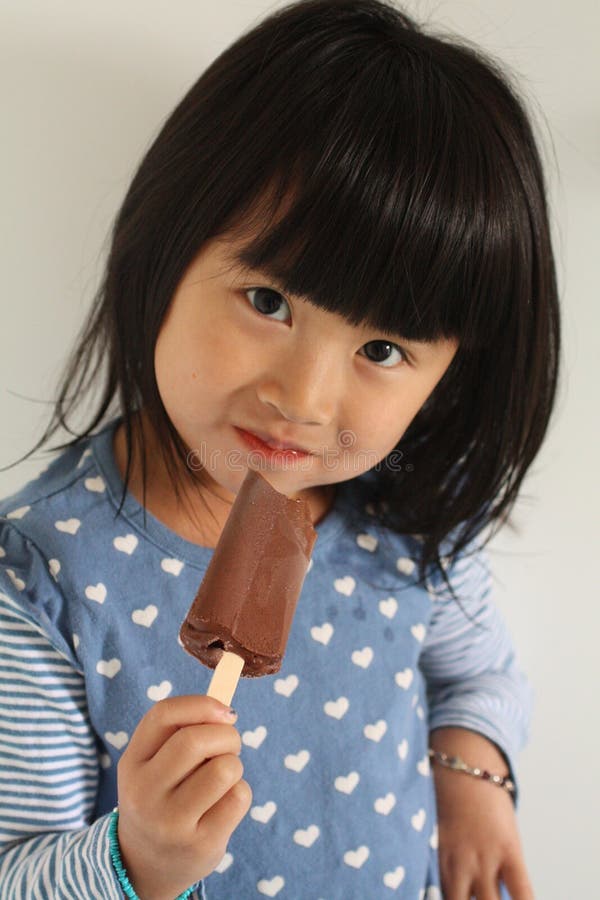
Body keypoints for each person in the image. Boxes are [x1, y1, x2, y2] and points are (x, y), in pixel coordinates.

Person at [0, 0, 560, 897]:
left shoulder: (410, 527)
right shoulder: (42, 579)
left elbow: (479, 672)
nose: (302, 400)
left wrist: (472, 777)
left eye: (381, 351)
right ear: (165, 248)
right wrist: (137, 860)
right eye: (269, 302)